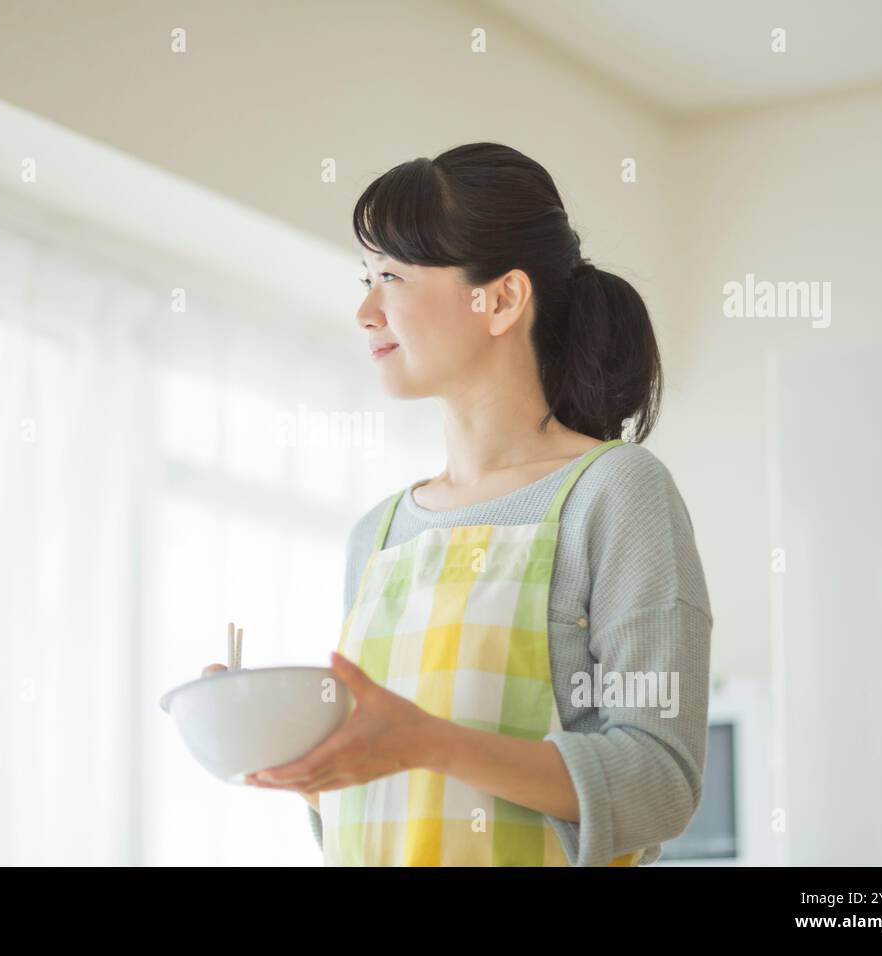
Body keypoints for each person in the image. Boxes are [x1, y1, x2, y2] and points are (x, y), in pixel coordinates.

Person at [219, 142, 712, 866]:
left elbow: (659, 783)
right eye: (366, 278)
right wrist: (299, 758)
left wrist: (426, 742)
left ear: (503, 299)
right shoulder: (377, 535)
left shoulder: (615, 492)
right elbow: (387, 808)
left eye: (391, 276)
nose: (364, 310)